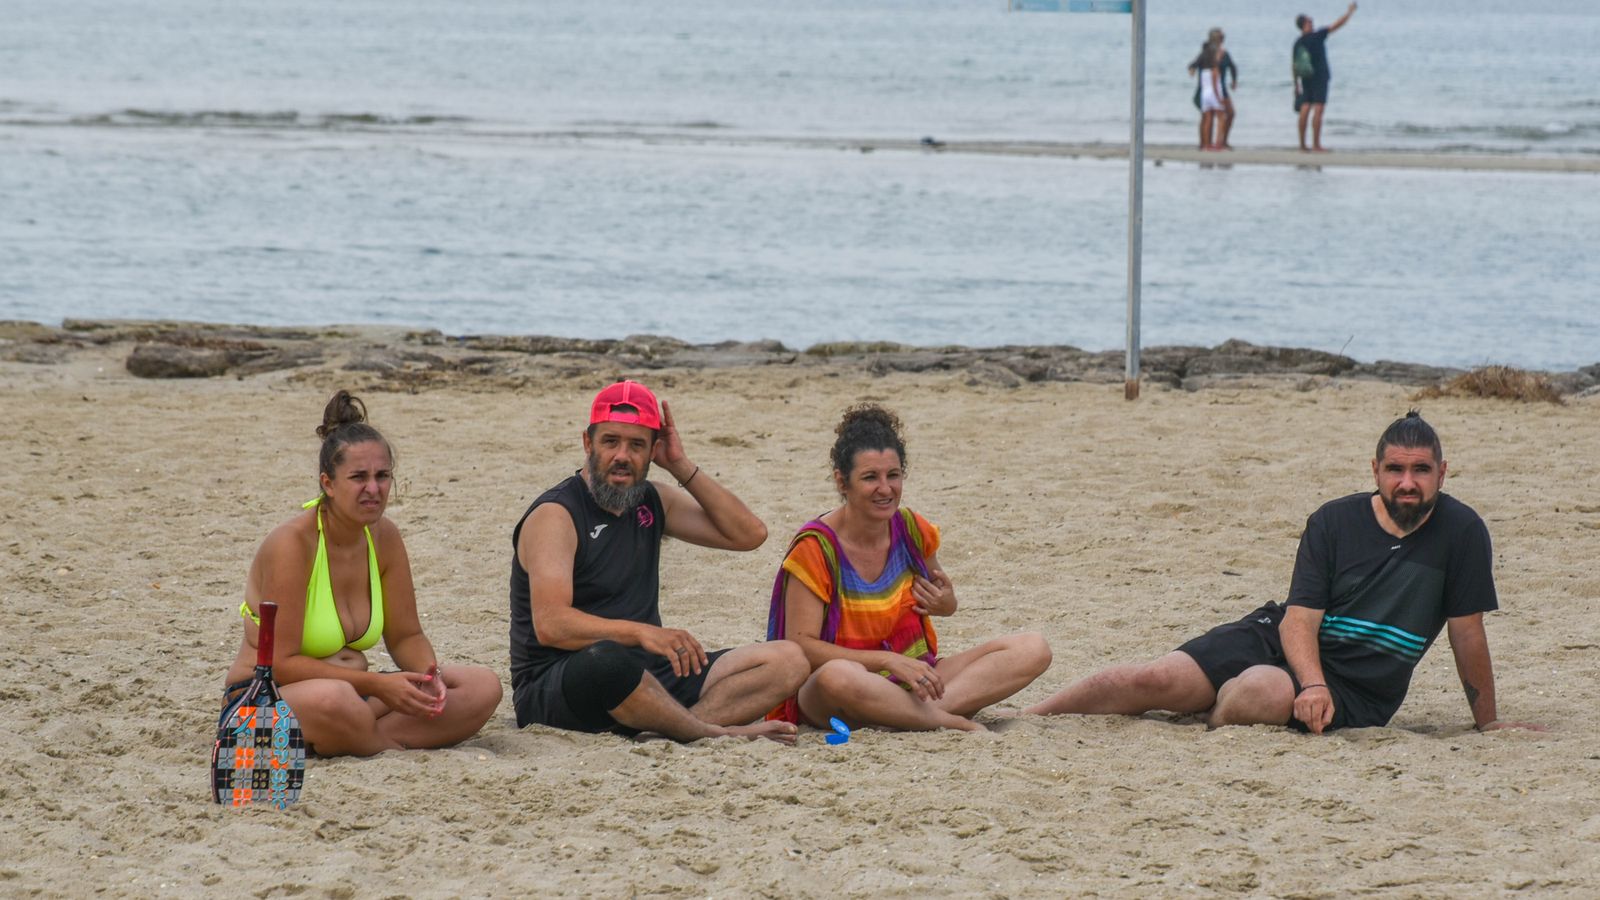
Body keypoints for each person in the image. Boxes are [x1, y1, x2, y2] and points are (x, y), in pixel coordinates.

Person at [1025, 412, 1542, 735]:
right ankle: (1029, 718)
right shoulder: (1335, 521)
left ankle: (1208, 715)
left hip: (1358, 688)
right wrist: (1311, 681)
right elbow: (1299, 619)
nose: (1408, 483)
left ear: (1442, 473)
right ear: (1375, 470)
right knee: (1150, 677)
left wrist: (1489, 721)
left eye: (1421, 471)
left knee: (1264, 692)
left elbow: (1467, 633)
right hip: (1281, 639)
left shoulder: (1463, 531)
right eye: (1396, 470)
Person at [510, 380, 808, 742]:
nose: (622, 455)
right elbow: (551, 624)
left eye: (637, 445)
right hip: (564, 680)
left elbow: (748, 535)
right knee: (608, 659)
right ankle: (710, 732)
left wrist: (681, 465)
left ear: (654, 451)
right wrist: (642, 632)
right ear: (587, 444)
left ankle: (671, 729)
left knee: (789, 660)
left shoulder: (652, 501)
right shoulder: (557, 514)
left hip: (648, 673)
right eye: (610, 441)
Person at [224, 390, 502, 756]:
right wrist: (379, 685)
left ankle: (360, 740)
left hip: (360, 695)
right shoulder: (293, 544)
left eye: (382, 476)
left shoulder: (383, 536)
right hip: (265, 698)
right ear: (328, 483)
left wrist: (427, 677)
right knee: (336, 700)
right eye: (359, 477)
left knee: (482, 686)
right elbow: (282, 664)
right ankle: (380, 744)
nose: (374, 489)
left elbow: (406, 635)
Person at [768, 404, 1052, 732]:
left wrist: (946, 604)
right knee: (838, 676)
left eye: (893, 475)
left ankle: (916, 717)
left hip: (913, 681)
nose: (885, 489)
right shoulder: (816, 548)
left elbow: (944, 600)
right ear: (842, 482)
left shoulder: (911, 530)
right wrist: (888, 661)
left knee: (1032, 648)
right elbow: (800, 646)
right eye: (870, 477)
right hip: (839, 692)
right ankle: (945, 719)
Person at [1293, 3, 1357, 152]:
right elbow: (1337, 25)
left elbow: (1294, 64)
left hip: (1305, 78)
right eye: (1310, 21)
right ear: (1305, 24)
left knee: (1305, 107)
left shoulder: (1298, 42)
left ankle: (1302, 145)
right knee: (1318, 109)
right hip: (1320, 78)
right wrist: (1349, 12)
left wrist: (1295, 84)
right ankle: (1316, 145)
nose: (1312, 22)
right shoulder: (1317, 36)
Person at [1190, 29, 1238, 150]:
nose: (1221, 40)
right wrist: (1193, 69)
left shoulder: (1222, 53)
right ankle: (1208, 143)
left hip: (1218, 88)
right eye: (1220, 37)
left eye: (1222, 37)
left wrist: (1234, 81)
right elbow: (1195, 64)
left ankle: (1218, 142)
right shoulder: (1209, 52)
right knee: (1210, 116)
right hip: (1210, 88)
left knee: (1225, 114)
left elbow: (1232, 67)